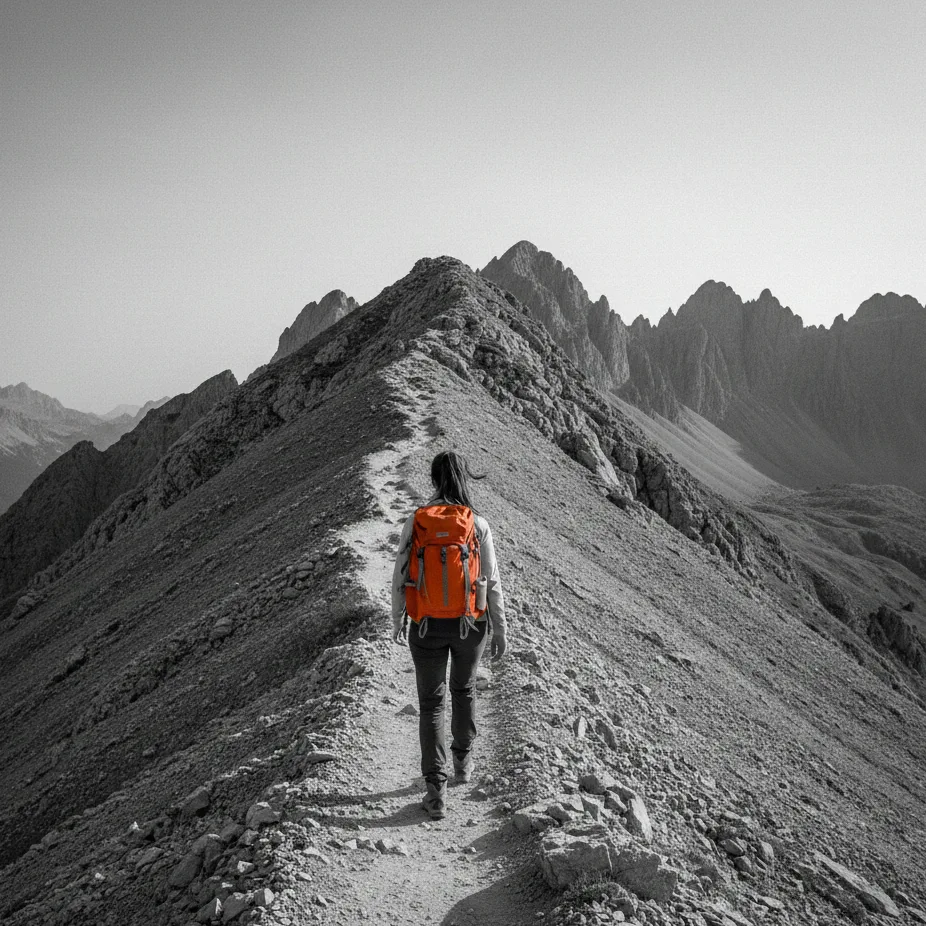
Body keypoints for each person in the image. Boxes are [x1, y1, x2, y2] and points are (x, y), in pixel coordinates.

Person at [391, 450, 507, 820]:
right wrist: (501, 627)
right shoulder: (478, 523)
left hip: (425, 625)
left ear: (433, 479)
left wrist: (397, 619)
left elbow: (399, 574)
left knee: (430, 704)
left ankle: (435, 790)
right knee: (464, 690)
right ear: (463, 478)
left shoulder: (418, 521)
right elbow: (491, 583)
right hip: (469, 625)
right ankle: (462, 761)